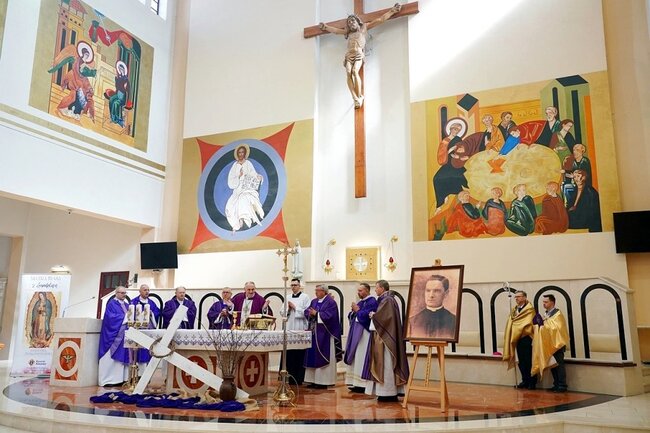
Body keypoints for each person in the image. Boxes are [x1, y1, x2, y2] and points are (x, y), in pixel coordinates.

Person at [318, 3, 401, 108]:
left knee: (354, 71)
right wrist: (325, 27)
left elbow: (380, 19)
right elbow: (336, 31)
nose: (351, 23)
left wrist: (392, 11)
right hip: (349, 55)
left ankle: (360, 96)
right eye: (349, 22)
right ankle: (355, 97)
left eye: (352, 21)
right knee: (348, 72)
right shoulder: (348, 33)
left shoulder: (364, 28)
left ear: (358, 22)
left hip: (358, 54)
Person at [366, 280, 409, 402]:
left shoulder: (387, 300)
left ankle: (388, 393)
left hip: (386, 339)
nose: (375, 290)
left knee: (386, 364)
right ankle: (387, 392)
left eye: (376, 287)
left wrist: (373, 315)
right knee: (386, 364)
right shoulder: (387, 300)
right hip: (386, 336)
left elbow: (384, 318)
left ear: (382, 288)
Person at [304, 284, 342, 388]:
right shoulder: (314, 301)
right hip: (314, 332)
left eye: (318, 290)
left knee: (324, 355)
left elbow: (331, 317)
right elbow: (307, 311)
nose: (316, 292)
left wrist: (317, 314)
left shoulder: (331, 302)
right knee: (312, 356)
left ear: (324, 291)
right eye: (315, 290)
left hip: (325, 334)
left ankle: (323, 382)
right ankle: (313, 380)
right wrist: (309, 313)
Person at [532, 294, 570, 392]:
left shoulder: (557, 314)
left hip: (557, 343)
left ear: (552, 302)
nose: (544, 304)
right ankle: (556, 384)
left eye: (546, 302)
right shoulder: (546, 314)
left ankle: (562, 385)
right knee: (552, 365)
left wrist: (543, 325)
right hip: (548, 343)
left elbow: (558, 328)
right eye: (543, 302)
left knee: (559, 365)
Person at [344, 282, 378, 393]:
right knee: (356, 357)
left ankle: (363, 384)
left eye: (360, 290)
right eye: (358, 290)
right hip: (356, 333)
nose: (358, 292)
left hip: (364, 335)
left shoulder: (372, 301)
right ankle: (356, 383)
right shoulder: (361, 302)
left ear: (367, 290)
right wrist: (353, 313)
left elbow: (369, 315)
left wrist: (357, 311)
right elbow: (353, 315)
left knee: (362, 357)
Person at [224, 145, 265, 232]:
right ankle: (236, 224)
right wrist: (239, 176)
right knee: (230, 205)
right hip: (237, 189)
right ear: (237, 154)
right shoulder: (234, 166)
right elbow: (230, 181)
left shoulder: (248, 163)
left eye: (242, 152)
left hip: (247, 187)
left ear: (245, 153)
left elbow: (253, 174)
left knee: (243, 198)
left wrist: (259, 177)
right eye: (239, 152)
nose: (241, 154)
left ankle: (242, 219)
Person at [502, 290, 537, 390]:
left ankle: (532, 382)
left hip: (527, 338)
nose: (516, 298)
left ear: (524, 297)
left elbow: (528, 323)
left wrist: (517, 326)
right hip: (517, 339)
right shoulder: (514, 309)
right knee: (521, 361)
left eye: (518, 296)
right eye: (515, 297)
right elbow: (511, 321)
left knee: (529, 361)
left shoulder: (530, 309)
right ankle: (524, 380)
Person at [98, 286, 130, 386]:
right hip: (113, 336)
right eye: (122, 293)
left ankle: (120, 379)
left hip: (124, 336)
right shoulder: (111, 304)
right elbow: (109, 318)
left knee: (122, 358)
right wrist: (125, 317)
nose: (124, 295)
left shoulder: (127, 305)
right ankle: (108, 379)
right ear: (116, 293)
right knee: (110, 358)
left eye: (125, 293)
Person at [282, 278, 311, 385]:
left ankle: (299, 378)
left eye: (295, 285)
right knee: (290, 354)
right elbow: (281, 311)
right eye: (292, 285)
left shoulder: (305, 297)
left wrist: (295, 307)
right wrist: (288, 309)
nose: (293, 287)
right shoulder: (288, 297)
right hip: (290, 326)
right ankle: (290, 377)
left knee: (299, 353)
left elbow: (308, 312)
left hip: (300, 327)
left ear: (299, 286)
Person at [410, 275, 457, 339]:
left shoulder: (453, 320)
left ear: (446, 294)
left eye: (436, 291)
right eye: (428, 290)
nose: (431, 295)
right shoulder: (412, 321)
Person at [130, 284, 160, 365]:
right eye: (145, 290)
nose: (147, 292)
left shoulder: (151, 303)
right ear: (140, 291)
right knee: (137, 349)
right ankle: (135, 366)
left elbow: (157, 313)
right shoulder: (133, 302)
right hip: (137, 329)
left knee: (147, 348)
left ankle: (146, 366)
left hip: (148, 329)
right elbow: (130, 314)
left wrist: (151, 314)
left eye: (148, 290)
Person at [109, 61, 130, 127]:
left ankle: (117, 119)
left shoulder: (126, 79)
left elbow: (126, 89)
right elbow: (117, 86)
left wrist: (123, 86)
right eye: (120, 69)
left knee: (116, 103)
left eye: (122, 69)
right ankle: (112, 117)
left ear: (124, 70)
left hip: (122, 97)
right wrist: (116, 80)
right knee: (111, 99)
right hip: (118, 94)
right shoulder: (119, 77)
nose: (121, 70)